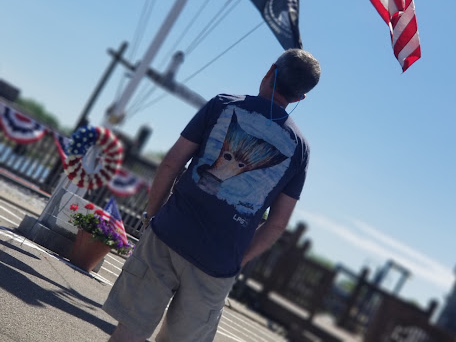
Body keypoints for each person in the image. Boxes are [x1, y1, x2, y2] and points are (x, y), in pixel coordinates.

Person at [103, 48, 321, 342]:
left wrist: (153, 215)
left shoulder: (223, 104)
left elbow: (171, 163)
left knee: (129, 330)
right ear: (300, 98)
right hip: (219, 263)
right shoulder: (300, 150)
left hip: (170, 232)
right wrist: (237, 260)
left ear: (271, 71)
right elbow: (278, 224)